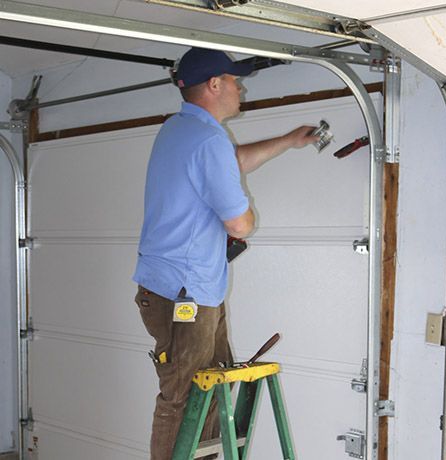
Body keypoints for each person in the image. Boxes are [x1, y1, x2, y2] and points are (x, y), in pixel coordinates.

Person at [133, 47, 319, 460]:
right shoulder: (206, 140)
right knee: (182, 396)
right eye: (234, 80)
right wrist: (244, 217)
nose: (240, 86)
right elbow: (239, 223)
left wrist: (288, 142)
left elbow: (231, 161)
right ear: (214, 85)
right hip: (184, 295)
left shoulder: (178, 130)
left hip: (189, 290)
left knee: (212, 387)